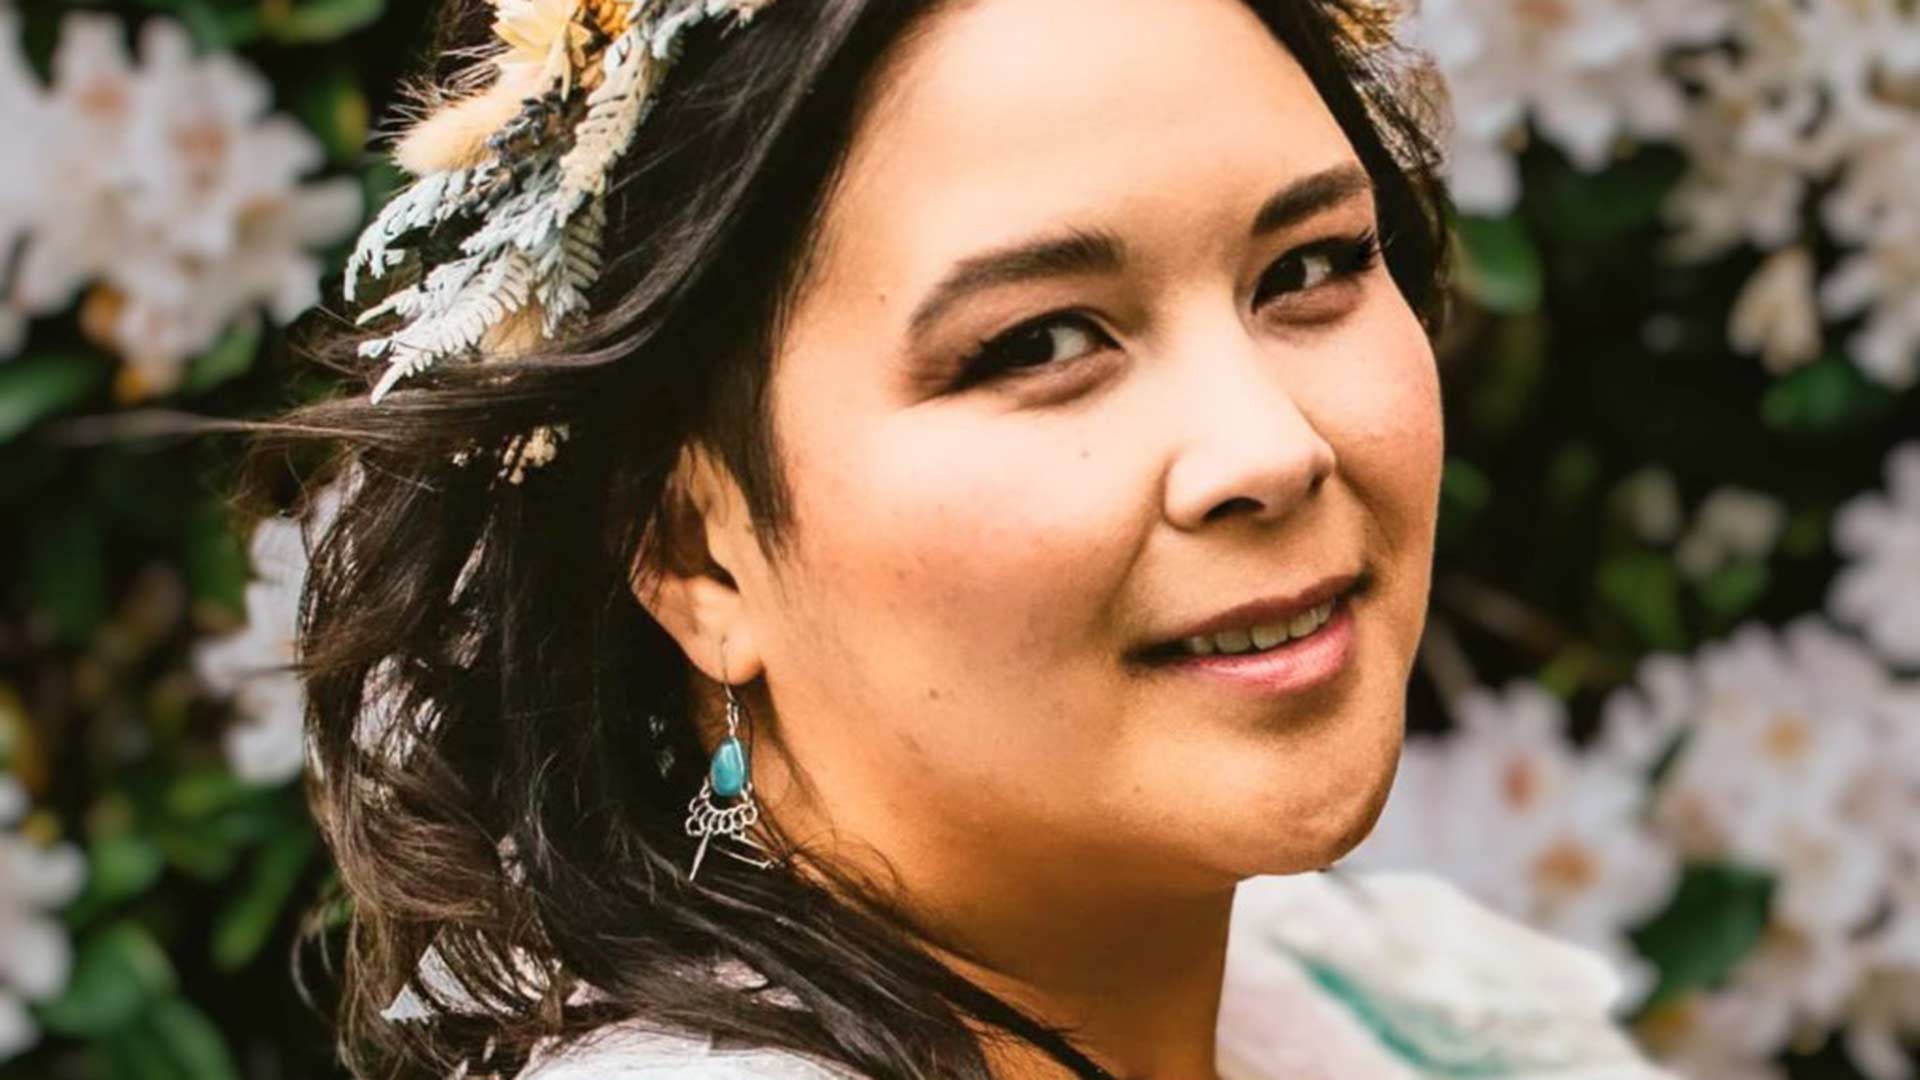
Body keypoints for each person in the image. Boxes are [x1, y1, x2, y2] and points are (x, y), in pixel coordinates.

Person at [250, 0, 1678, 1077]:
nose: (1271, 448)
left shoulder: (1390, 1011)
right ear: (693, 552)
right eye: (1040, 343)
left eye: (1308, 267)